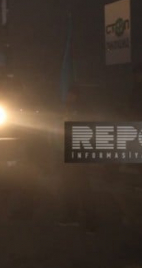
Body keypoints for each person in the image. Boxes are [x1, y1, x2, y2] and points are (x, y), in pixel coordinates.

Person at [58, 84, 97, 232]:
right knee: (74, 186)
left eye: (69, 95)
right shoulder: (73, 108)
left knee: (80, 187)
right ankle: (77, 216)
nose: (67, 97)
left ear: (74, 95)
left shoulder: (78, 110)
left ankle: (86, 219)